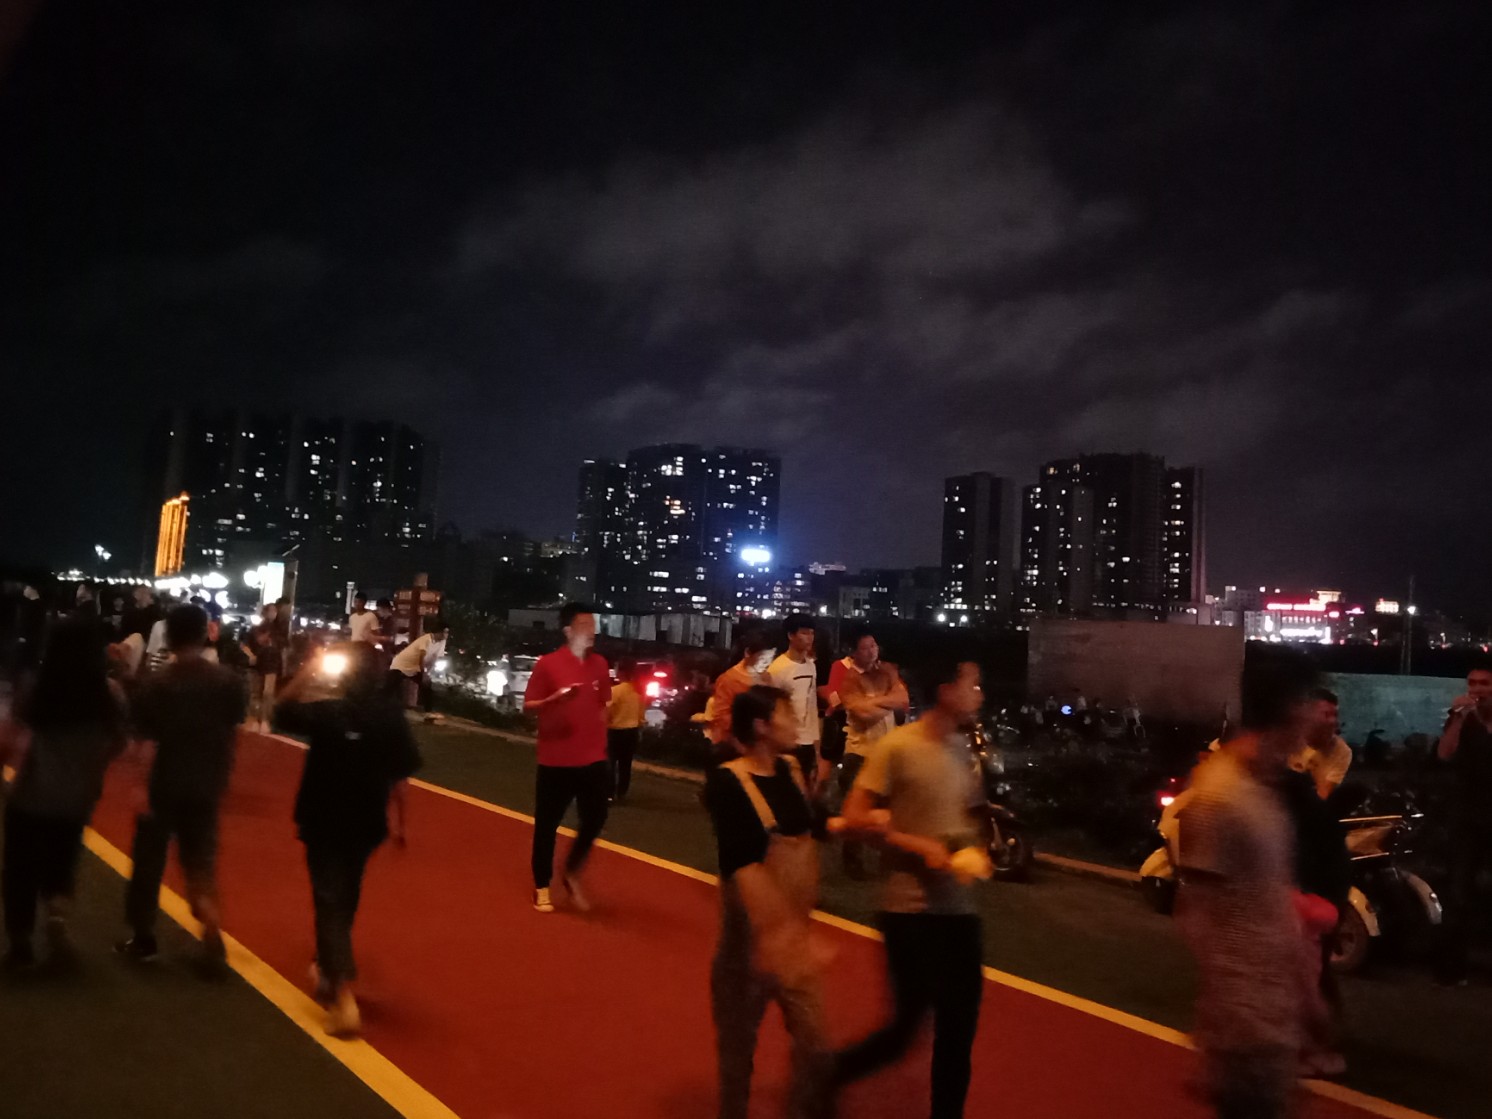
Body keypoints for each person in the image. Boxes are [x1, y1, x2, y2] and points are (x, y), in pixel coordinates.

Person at [832, 660, 991, 1119]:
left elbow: (966, 820)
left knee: (958, 1034)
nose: (978, 695)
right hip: (909, 911)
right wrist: (917, 846)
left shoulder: (963, 750)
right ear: (945, 690)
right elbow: (854, 817)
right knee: (904, 1031)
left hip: (959, 912)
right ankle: (829, 1074)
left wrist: (972, 849)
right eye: (972, 685)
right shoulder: (898, 747)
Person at [1175, 647, 1322, 1119]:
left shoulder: (1265, 785)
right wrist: (1230, 1016)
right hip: (1246, 1025)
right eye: (1311, 702)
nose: (1317, 716)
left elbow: (1266, 895)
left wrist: (1305, 992)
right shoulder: (1220, 794)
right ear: (1292, 708)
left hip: (1273, 1013)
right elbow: (1198, 913)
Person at [275, 642, 421, 1037]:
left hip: (323, 817)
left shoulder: (329, 711)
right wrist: (400, 820)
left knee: (328, 898)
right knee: (346, 894)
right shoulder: (390, 717)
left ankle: (341, 992)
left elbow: (280, 709)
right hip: (366, 821)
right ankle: (328, 966)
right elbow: (403, 771)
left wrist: (310, 669)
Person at [705, 685, 830, 1119]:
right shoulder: (727, 783)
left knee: (817, 1048)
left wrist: (872, 824)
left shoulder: (792, 770)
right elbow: (743, 868)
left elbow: (819, 826)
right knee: (737, 1060)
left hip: (793, 947)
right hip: (747, 953)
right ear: (761, 726)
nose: (797, 723)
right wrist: (782, 934)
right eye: (787, 715)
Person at [117, 604, 248, 970]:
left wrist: (140, 785)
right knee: (200, 861)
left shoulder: (158, 683)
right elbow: (233, 733)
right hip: (207, 780)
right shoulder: (228, 681)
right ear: (204, 634)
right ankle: (211, 929)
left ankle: (144, 938)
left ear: (170, 637)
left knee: (149, 861)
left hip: (164, 780)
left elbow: (147, 742)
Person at [1, 620, 129, 970]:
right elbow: (120, 742)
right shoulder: (108, 694)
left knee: (20, 868)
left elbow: (10, 737)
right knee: (63, 860)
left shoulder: (36, 688)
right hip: (77, 796)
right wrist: (94, 764)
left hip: (31, 794)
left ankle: (21, 943)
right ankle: (57, 917)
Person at [525, 603, 611, 913]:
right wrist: (552, 701)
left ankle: (572, 869)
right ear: (568, 631)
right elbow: (529, 706)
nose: (592, 631)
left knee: (596, 817)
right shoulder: (548, 664)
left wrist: (601, 741)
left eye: (594, 625)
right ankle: (542, 884)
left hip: (593, 758)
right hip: (556, 759)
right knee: (547, 825)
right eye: (585, 625)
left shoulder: (600, 664)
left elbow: (603, 704)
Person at [1434, 658, 1492, 986]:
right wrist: (1457, 717)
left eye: (1484, 684)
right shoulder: (1462, 720)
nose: (1477, 690)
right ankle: (1451, 970)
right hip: (1467, 817)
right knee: (1459, 892)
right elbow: (1444, 754)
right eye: (1472, 683)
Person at [837, 630, 909, 877]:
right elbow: (862, 716)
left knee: (889, 810)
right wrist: (888, 701)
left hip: (887, 752)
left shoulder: (887, 670)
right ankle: (853, 863)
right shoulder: (850, 679)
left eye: (874, 646)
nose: (872, 651)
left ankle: (888, 860)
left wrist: (874, 702)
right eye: (866, 647)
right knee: (857, 811)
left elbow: (902, 698)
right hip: (860, 752)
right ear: (855, 652)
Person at [767, 616, 823, 788]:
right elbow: (772, 709)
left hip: (807, 741)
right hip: (787, 741)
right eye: (804, 633)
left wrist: (816, 745)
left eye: (812, 633)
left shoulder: (811, 665)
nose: (810, 638)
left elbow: (811, 705)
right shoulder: (777, 669)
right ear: (791, 635)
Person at [709, 632, 773, 749]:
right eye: (763, 658)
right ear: (748, 653)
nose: (767, 663)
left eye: (770, 659)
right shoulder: (729, 679)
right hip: (732, 744)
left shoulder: (767, 677)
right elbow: (721, 715)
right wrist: (749, 726)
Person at [1288, 688, 1352, 802]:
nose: (1333, 721)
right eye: (1326, 714)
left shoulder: (1341, 751)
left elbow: (1322, 795)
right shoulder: (1283, 740)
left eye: (1335, 715)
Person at [387, 617, 448, 724]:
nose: (446, 635)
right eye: (445, 632)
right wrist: (423, 674)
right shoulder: (426, 639)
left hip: (415, 668)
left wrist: (427, 673)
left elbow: (434, 658)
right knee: (390, 687)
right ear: (438, 632)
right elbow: (421, 657)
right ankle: (379, 707)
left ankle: (428, 714)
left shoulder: (441, 642)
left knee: (427, 686)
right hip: (402, 664)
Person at [606, 659, 644, 803]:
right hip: (632, 731)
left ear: (621, 671)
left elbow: (607, 711)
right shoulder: (638, 691)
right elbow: (641, 715)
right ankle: (622, 792)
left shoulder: (615, 691)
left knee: (610, 763)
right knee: (625, 765)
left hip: (615, 731)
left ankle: (609, 793)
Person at [243, 602, 284, 733]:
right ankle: (255, 718)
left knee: (268, 693)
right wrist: (251, 656)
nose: (273, 613)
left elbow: (283, 647)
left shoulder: (279, 629)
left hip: (272, 662)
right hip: (258, 662)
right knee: (256, 693)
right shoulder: (256, 629)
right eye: (270, 611)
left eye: (275, 611)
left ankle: (265, 720)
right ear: (265, 612)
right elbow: (244, 645)